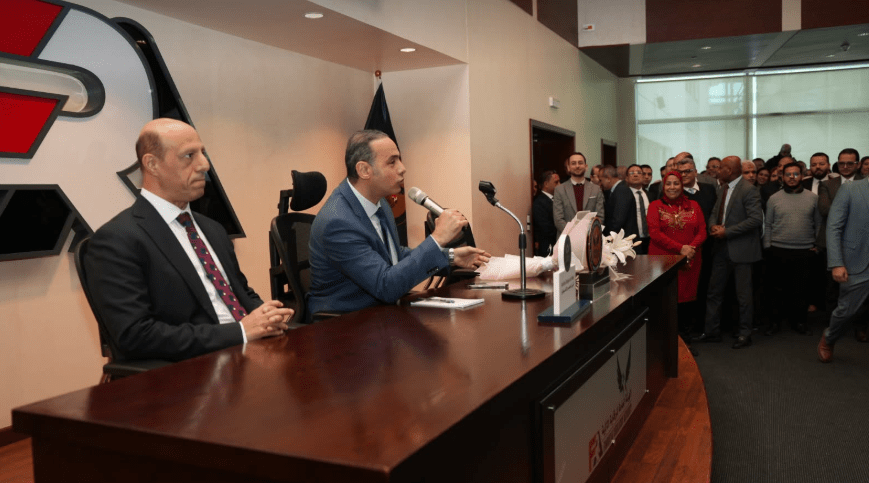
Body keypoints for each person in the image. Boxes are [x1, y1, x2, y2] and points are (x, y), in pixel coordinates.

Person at [83, 119, 293, 362]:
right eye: (189, 155)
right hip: (190, 368)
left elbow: (240, 292)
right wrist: (240, 332)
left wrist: (266, 315)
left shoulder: (213, 229)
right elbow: (135, 336)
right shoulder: (117, 240)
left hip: (248, 354)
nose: (204, 164)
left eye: (203, 153)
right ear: (152, 164)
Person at [308, 130, 490, 316]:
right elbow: (386, 286)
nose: (402, 168)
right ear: (364, 170)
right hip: (345, 323)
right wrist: (437, 239)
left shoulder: (380, 203)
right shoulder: (338, 223)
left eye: (399, 160)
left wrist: (449, 256)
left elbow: (392, 255)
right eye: (392, 162)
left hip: (381, 315)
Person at [695, 156, 763, 349]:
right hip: (721, 249)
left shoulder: (748, 190)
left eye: (721, 168)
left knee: (743, 296)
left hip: (742, 250)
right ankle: (711, 332)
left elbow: (755, 219)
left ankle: (744, 334)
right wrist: (712, 226)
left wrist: (728, 232)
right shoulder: (723, 188)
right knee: (714, 292)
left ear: (730, 170)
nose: (718, 171)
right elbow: (714, 213)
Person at [763, 163, 821, 336]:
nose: (792, 177)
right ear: (782, 177)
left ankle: (800, 322)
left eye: (796, 174)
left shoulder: (813, 198)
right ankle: (774, 323)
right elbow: (768, 224)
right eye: (788, 174)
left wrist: (817, 245)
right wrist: (767, 246)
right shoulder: (774, 198)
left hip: (804, 250)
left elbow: (818, 223)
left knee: (801, 289)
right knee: (776, 290)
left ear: (802, 176)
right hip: (778, 249)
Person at [647, 171, 706, 338]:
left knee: (686, 301)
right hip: (663, 260)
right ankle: (666, 343)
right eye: (668, 183)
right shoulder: (655, 206)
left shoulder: (694, 205)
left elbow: (702, 231)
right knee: (666, 300)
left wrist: (690, 249)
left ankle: (684, 341)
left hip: (690, 260)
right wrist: (681, 249)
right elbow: (655, 233)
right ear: (663, 186)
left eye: (676, 183)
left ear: (682, 186)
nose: (672, 187)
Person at [818, 174, 869, 362]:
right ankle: (829, 337)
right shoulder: (850, 189)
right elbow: (833, 227)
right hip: (857, 261)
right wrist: (836, 263)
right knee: (847, 311)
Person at [552, 152, 605, 235]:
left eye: (580, 163)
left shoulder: (596, 189)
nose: (577, 166)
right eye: (573, 163)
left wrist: (587, 234)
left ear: (586, 167)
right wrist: (574, 234)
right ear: (568, 168)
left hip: (590, 238)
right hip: (567, 238)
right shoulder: (559, 190)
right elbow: (558, 219)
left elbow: (600, 216)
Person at [605, 163, 650, 254]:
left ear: (643, 176)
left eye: (639, 172)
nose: (635, 175)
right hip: (631, 241)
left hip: (649, 240)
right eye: (632, 173)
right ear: (626, 178)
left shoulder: (650, 195)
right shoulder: (623, 194)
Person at [533, 170, 559, 256]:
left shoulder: (558, 199)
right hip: (548, 248)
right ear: (546, 184)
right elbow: (545, 228)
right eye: (556, 182)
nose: (560, 185)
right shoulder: (539, 202)